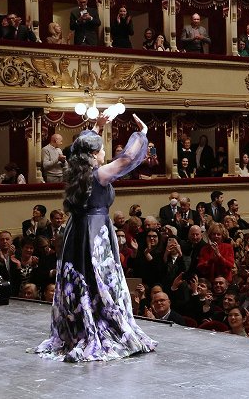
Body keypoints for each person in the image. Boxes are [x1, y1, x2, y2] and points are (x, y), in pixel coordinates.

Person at [33, 112, 157, 361]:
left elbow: (83, 146)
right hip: (95, 232)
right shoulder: (99, 175)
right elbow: (129, 158)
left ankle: (80, 325)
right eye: (101, 150)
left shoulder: (74, 170)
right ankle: (102, 325)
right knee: (99, 279)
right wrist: (142, 134)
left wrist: (97, 127)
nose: (104, 153)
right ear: (93, 154)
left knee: (84, 278)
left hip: (77, 231)